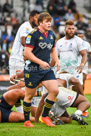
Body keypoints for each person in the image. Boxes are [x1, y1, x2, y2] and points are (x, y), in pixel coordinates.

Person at [23, 12, 60, 127]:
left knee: (55, 90)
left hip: (46, 69)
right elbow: (27, 53)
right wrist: (41, 62)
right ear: (40, 23)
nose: (49, 23)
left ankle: (44, 116)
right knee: (29, 95)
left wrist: (57, 60)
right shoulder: (32, 35)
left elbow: (53, 49)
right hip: (32, 69)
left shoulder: (51, 34)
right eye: (46, 21)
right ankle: (27, 121)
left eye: (50, 21)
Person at [9, 10, 39, 113]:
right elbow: (24, 41)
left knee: (21, 85)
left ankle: (22, 111)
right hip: (17, 60)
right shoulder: (26, 26)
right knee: (17, 86)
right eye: (36, 17)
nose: (37, 20)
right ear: (31, 17)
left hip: (23, 61)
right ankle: (20, 111)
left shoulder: (32, 29)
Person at [55, 20, 87, 93]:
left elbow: (84, 54)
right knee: (60, 92)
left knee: (78, 95)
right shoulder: (59, 42)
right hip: (62, 72)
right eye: (69, 29)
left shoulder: (78, 41)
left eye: (73, 29)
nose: (71, 30)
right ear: (65, 30)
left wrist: (82, 65)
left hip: (75, 71)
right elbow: (55, 56)